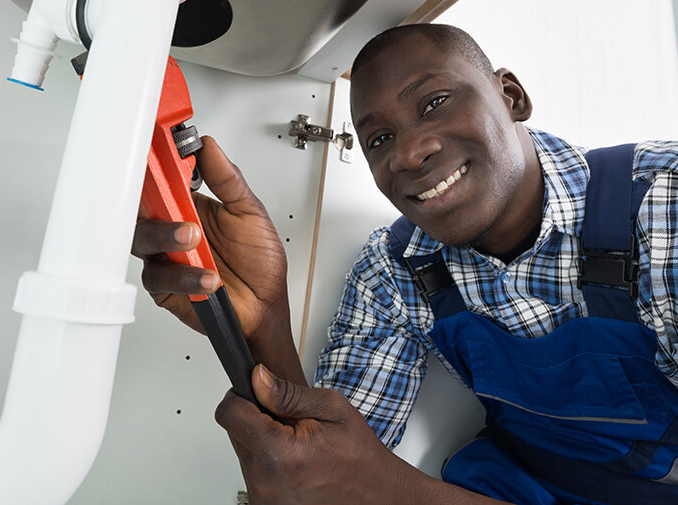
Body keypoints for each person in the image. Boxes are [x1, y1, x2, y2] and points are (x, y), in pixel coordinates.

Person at [132, 23, 678, 505]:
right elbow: (319, 475)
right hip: (525, 482)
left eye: (435, 102)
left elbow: (364, 484)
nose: (408, 154)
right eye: (379, 138)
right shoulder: (396, 269)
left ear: (510, 96)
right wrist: (263, 321)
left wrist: (391, 489)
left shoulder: (662, 210)